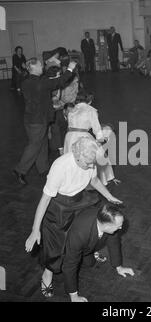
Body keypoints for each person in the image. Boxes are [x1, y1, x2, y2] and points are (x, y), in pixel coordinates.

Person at [25, 137, 122, 298]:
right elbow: (45, 200)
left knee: (89, 227)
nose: (91, 166)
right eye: (88, 163)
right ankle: (47, 274)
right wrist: (35, 230)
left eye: (93, 163)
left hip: (80, 199)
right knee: (56, 244)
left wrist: (109, 196)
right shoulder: (60, 166)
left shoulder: (89, 159)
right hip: (60, 205)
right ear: (77, 155)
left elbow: (94, 180)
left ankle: (89, 250)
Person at [13, 58, 77, 186]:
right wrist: (70, 68)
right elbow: (60, 81)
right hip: (38, 120)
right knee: (35, 145)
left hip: (31, 118)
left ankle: (43, 169)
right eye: (40, 65)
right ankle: (20, 170)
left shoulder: (26, 82)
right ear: (34, 68)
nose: (42, 66)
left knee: (42, 144)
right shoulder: (40, 83)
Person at [62, 203, 134, 302]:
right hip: (64, 244)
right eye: (119, 226)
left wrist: (119, 267)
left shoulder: (105, 219)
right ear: (107, 226)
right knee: (63, 265)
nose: (121, 228)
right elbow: (70, 265)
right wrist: (73, 296)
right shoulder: (79, 234)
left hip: (87, 241)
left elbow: (114, 243)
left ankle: (91, 249)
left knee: (90, 263)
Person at [64, 91, 117, 186]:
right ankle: (100, 180)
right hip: (82, 136)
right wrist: (101, 139)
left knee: (72, 159)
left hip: (69, 136)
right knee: (96, 155)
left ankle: (73, 182)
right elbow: (96, 127)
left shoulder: (72, 109)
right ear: (89, 101)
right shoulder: (91, 110)